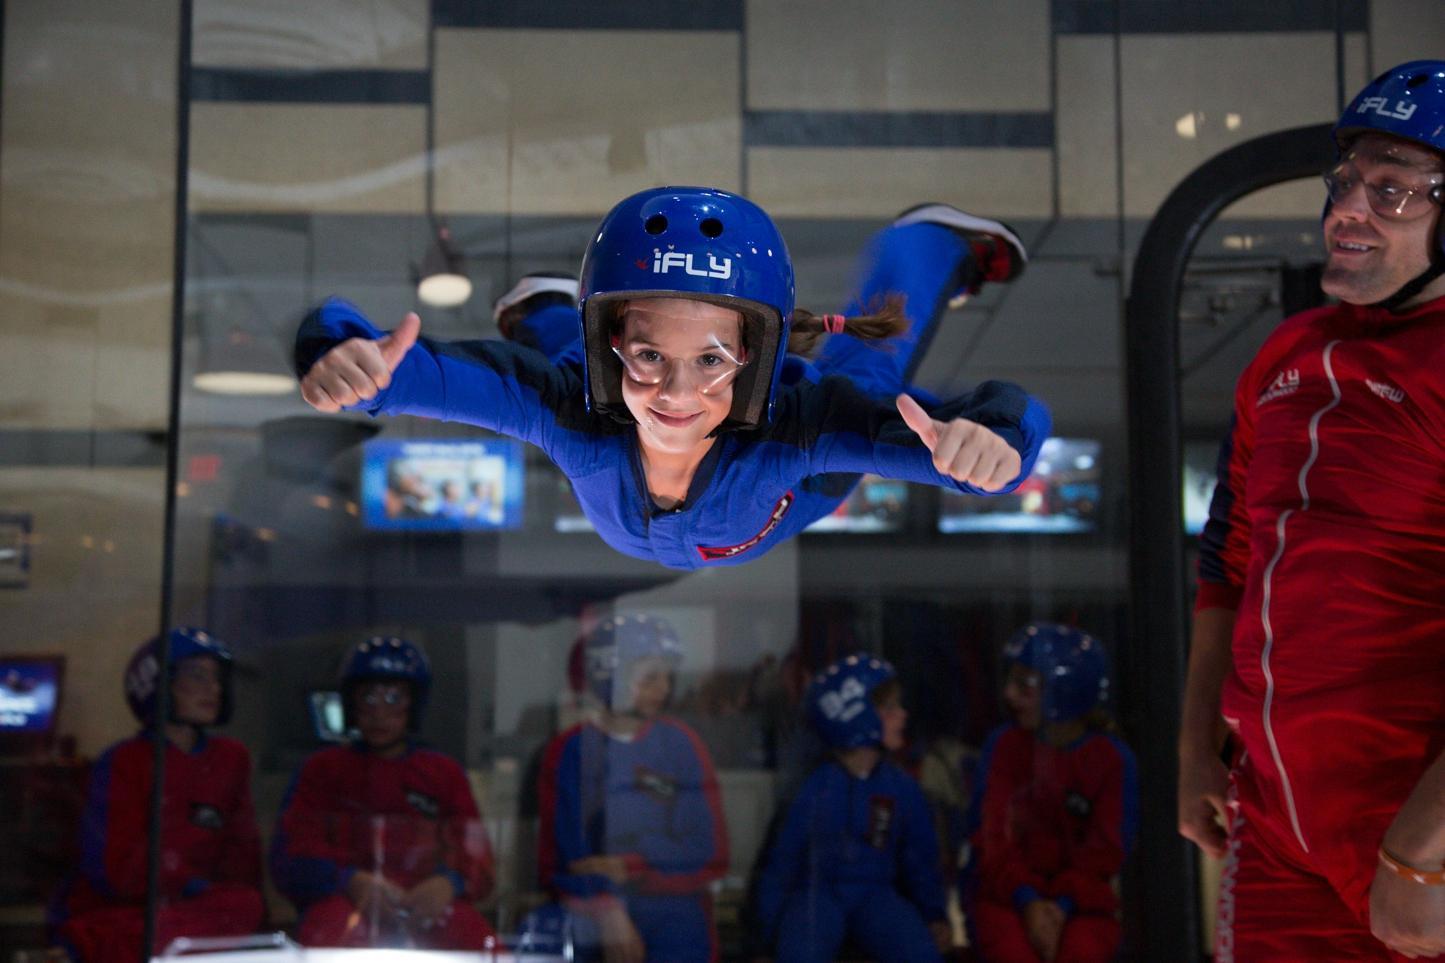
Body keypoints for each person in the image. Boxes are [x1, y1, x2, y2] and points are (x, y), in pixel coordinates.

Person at [294, 187, 1050, 570]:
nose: (677, 396)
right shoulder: (576, 399)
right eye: (651, 355)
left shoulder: (797, 424)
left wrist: (992, 444)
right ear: (614, 338)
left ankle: (923, 243)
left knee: (869, 370)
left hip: (787, 494)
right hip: (615, 419)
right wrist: (345, 358)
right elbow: (412, 372)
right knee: (570, 377)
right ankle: (550, 313)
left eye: (712, 361)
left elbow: (978, 431)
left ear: (753, 359)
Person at [1176, 60, 1445, 961]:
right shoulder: (1284, 354)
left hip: (1417, 834)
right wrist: (1192, 749)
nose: (1347, 210)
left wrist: (1419, 850)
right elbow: (1226, 563)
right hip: (1277, 827)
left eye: (1393, 190)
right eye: (1345, 183)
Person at [270, 636, 496, 948]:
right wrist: (349, 880)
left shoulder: (443, 773)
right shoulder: (322, 770)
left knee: (478, 940)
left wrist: (449, 883)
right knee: (329, 931)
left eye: (394, 698)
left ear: (414, 703)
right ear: (351, 703)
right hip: (345, 903)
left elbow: (478, 859)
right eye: (368, 697)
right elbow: (289, 858)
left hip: (427, 905)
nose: (379, 713)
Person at [55, 628, 265, 963]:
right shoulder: (125, 760)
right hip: (129, 906)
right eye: (196, 676)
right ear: (157, 683)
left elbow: (243, 855)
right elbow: (114, 868)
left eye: (216, 678)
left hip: (200, 908)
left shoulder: (231, 758)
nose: (212, 689)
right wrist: (184, 883)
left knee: (244, 905)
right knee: (107, 929)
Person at [529, 614, 729, 963]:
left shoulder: (681, 744)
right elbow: (563, 863)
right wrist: (605, 907)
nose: (664, 688)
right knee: (544, 937)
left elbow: (708, 852)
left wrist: (632, 866)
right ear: (610, 677)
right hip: (588, 907)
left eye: (668, 676)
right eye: (650, 677)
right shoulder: (570, 750)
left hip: (674, 910)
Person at [753, 653, 950, 962]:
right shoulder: (813, 788)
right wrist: (763, 939)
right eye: (889, 709)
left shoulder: (900, 788)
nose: (902, 715)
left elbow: (920, 859)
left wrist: (934, 914)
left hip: (876, 894)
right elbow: (782, 865)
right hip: (816, 895)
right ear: (856, 716)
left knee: (919, 953)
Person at [967, 623, 1137, 963]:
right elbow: (992, 839)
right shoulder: (1005, 746)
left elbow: (1105, 852)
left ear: (1064, 689)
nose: (1010, 695)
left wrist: (1060, 908)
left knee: (1083, 951)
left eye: (1026, 684)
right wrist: (1027, 900)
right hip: (1006, 897)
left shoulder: (1110, 759)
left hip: (1082, 905)